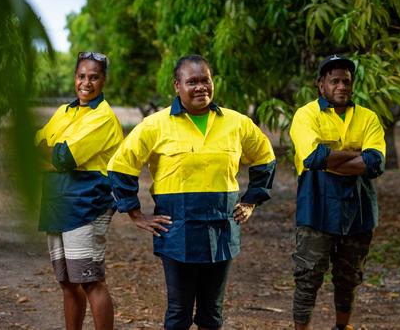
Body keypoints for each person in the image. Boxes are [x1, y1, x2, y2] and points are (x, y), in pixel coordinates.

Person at [107, 54, 277, 330]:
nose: (201, 87)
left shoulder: (237, 123)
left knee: (212, 313)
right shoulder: (155, 125)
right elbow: (121, 165)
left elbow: (264, 158)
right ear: (177, 86)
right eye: (192, 81)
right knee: (178, 313)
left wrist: (251, 201)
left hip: (222, 228)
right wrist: (135, 214)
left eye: (205, 80)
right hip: (177, 230)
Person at [288, 55, 386, 330]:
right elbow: (313, 158)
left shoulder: (368, 118)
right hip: (316, 205)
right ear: (321, 85)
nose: (341, 86)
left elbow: (375, 163)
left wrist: (333, 159)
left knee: (349, 276)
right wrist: (355, 157)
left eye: (346, 81)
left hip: (359, 209)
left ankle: (342, 326)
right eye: (335, 81)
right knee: (308, 275)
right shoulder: (306, 115)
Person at [34, 51, 122, 330]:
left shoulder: (103, 117)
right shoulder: (64, 111)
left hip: (86, 205)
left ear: (104, 80)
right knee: (67, 282)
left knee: (90, 280)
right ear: (74, 78)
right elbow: (35, 144)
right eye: (82, 76)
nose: (86, 82)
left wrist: (54, 154)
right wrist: (53, 154)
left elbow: (63, 157)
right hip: (57, 202)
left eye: (94, 77)